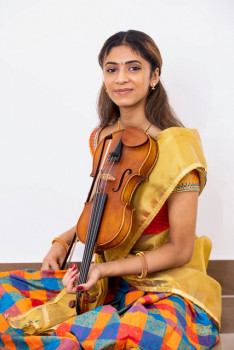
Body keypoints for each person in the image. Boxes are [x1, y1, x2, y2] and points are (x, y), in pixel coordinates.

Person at [0, 30, 221, 350]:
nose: (121, 78)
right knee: (7, 291)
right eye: (111, 68)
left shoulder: (179, 150)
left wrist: (104, 267)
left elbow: (181, 249)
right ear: (103, 75)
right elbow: (108, 209)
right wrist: (64, 241)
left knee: (132, 334)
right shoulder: (102, 137)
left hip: (163, 282)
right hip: (104, 277)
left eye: (133, 68)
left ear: (154, 76)